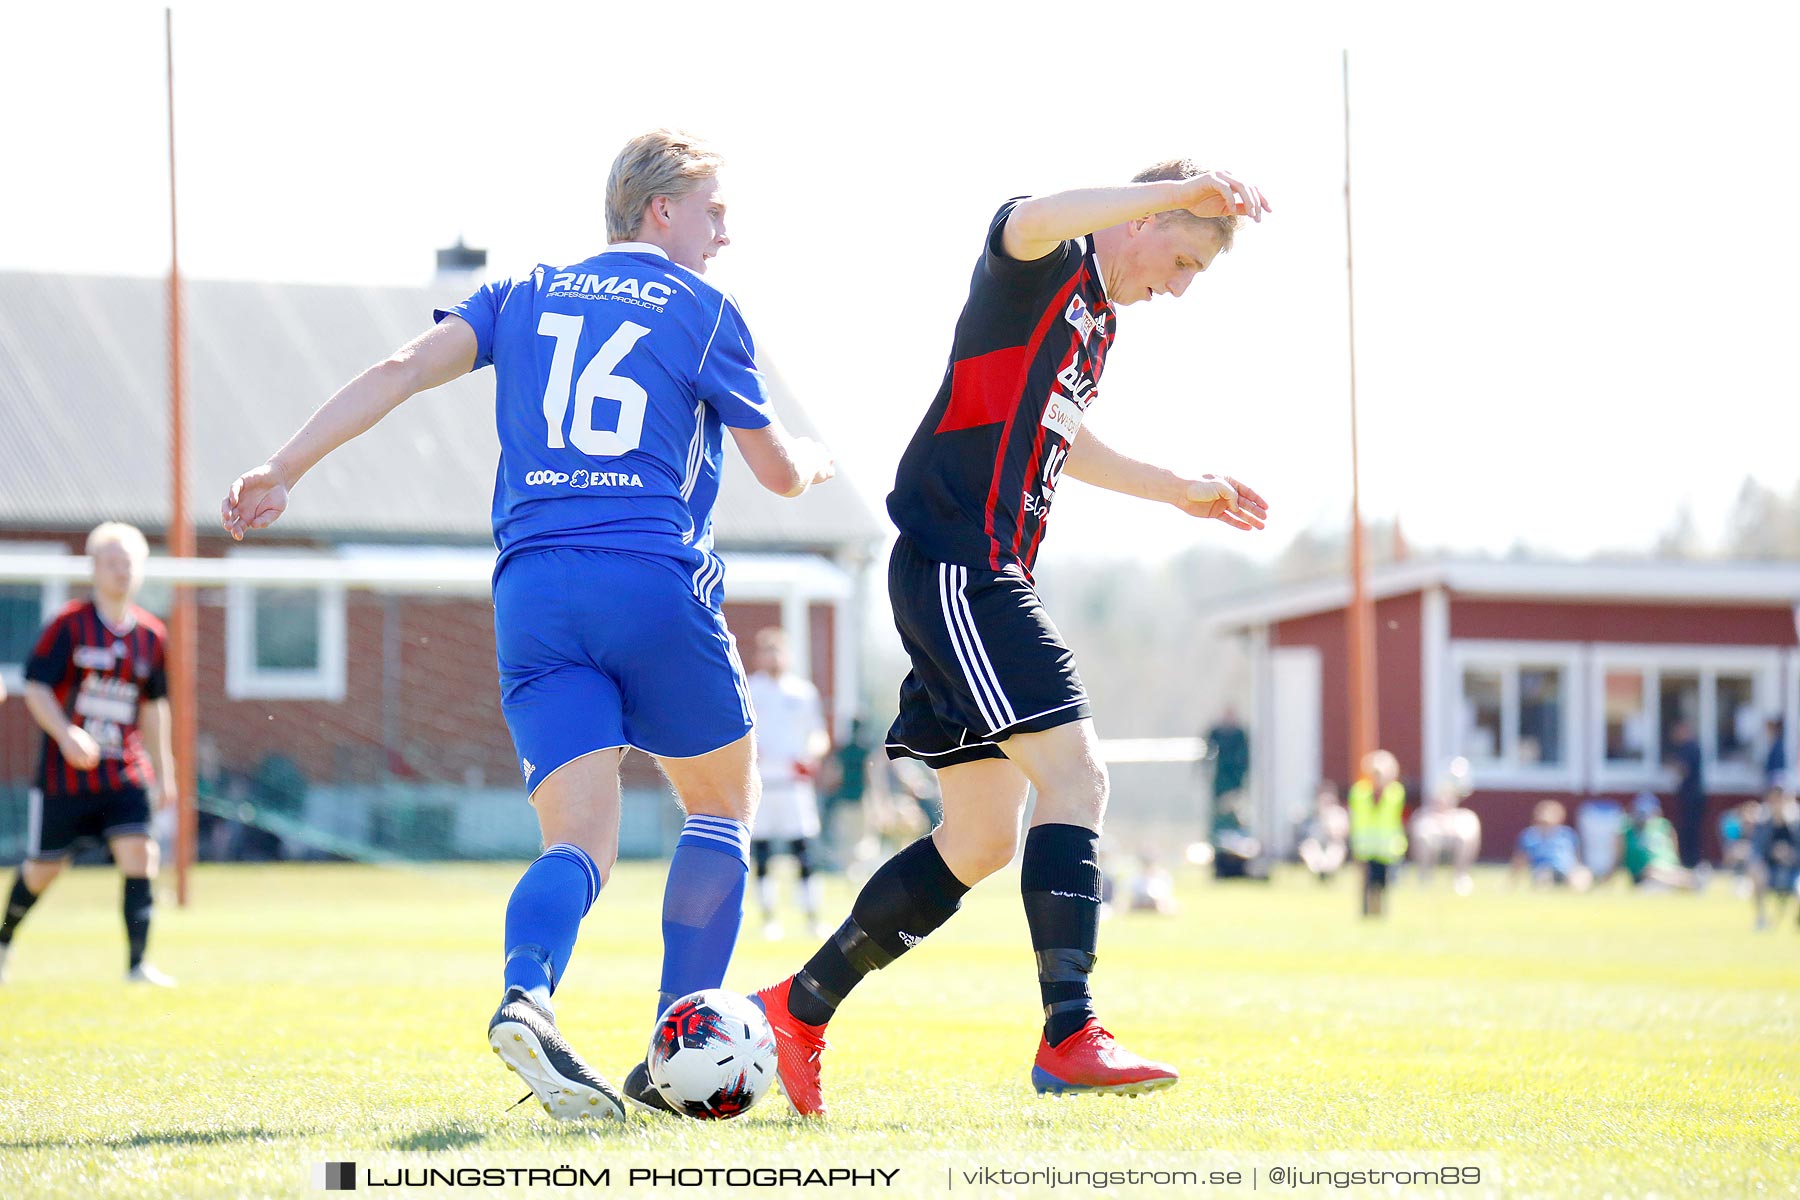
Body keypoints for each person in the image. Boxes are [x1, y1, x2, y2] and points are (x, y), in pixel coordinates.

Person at [220, 129, 834, 1121]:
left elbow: (401, 366)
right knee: (721, 804)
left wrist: (283, 467)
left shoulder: (524, 290)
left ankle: (530, 994)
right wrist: (813, 461)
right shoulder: (705, 309)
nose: (725, 231)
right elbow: (774, 473)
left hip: (533, 592)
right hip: (649, 576)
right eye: (712, 209)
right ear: (659, 209)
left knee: (579, 843)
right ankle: (680, 1045)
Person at [747, 160, 1272, 1115]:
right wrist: (1171, 178)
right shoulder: (1046, 260)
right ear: (1146, 217)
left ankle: (798, 1006)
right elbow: (1025, 215)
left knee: (982, 839)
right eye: (1184, 257)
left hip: (971, 575)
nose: (1182, 286)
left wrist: (1181, 488)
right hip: (962, 567)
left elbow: (1063, 437)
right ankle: (1070, 1036)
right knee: (1080, 779)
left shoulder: (1098, 322)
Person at [0, 522, 178, 986]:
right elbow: (35, 685)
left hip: (125, 771)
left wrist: (166, 772)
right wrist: (66, 735)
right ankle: (3, 939)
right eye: (113, 562)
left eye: (131, 563)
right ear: (95, 568)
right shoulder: (69, 625)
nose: (122, 571)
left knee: (141, 852)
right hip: (66, 778)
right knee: (43, 869)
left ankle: (137, 966)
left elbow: (155, 708)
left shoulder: (153, 636)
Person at [745, 627, 830, 940]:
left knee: (804, 849)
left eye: (778, 650)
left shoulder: (802, 692)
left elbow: (818, 734)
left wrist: (812, 755)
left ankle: (812, 917)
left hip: (795, 784)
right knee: (763, 852)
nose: (774, 657)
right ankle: (768, 919)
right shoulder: (750, 689)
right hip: (762, 783)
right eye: (767, 650)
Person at [1348, 750, 1407, 918]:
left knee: (1383, 885)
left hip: (1387, 849)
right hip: (1365, 848)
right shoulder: (1359, 792)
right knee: (1366, 884)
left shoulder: (1395, 793)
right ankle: (1366, 914)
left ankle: (1382, 914)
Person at [1610, 793, 1698, 891]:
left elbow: (1674, 850)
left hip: (1666, 867)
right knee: (1652, 872)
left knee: (1671, 871)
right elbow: (1617, 858)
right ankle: (1690, 885)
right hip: (1643, 875)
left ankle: (1692, 881)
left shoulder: (1663, 826)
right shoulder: (1626, 830)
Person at [1409, 778, 1481, 895]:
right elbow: (1420, 831)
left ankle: (1460, 876)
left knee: (1463, 839)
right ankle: (1425, 876)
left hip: (1454, 845)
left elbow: (1469, 833)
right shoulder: (1426, 815)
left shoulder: (1462, 815)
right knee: (1424, 839)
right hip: (1433, 846)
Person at [1511, 800, 1592, 892]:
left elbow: (1577, 857)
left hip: (1567, 870)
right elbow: (1520, 860)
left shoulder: (1568, 834)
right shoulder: (1528, 836)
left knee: (1581, 876)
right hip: (1544, 870)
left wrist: (1578, 869)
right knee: (1544, 880)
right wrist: (1513, 881)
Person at [1749, 786, 1800, 931]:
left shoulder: (1797, 823)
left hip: (1795, 871)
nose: (1778, 802)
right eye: (1775, 798)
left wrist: (1791, 855)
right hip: (1771, 871)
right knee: (1755, 870)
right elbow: (1756, 851)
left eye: (1782, 798)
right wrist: (1772, 853)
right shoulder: (1764, 823)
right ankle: (1761, 919)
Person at [1664, 719, 1707, 870]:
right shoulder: (1687, 747)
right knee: (1687, 828)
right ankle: (1690, 860)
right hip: (1690, 796)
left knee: (1690, 829)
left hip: (1692, 797)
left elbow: (1684, 769)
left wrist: (1671, 763)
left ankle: (1691, 861)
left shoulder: (1690, 748)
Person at [1297, 781, 1350, 882]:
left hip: (1333, 844)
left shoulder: (1338, 813)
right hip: (1317, 844)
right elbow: (1306, 833)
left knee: (1335, 850)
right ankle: (1319, 873)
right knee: (1310, 848)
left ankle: (1328, 873)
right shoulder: (1312, 813)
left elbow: (1343, 832)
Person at [1202, 705, 1250, 810]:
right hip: (1221, 775)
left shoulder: (1240, 734)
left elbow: (1245, 757)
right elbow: (1208, 752)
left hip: (1235, 776)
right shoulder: (1216, 733)